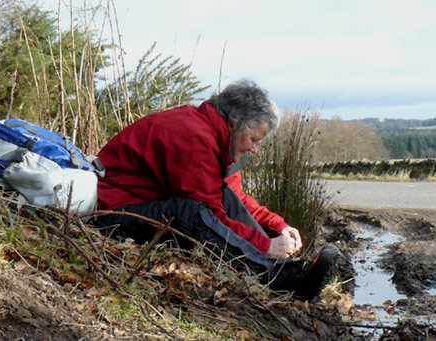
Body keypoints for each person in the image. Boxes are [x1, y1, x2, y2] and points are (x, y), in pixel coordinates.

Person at [95, 79, 342, 301]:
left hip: (144, 208)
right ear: (236, 123)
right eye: (253, 140)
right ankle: (274, 278)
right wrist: (264, 246)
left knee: (221, 196)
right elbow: (208, 217)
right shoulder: (193, 135)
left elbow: (237, 200)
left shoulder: (217, 139)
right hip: (115, 215)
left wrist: (278, 226)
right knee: (189, 213)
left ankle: (280, 267)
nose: (254, 149)